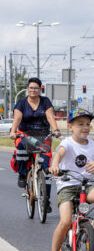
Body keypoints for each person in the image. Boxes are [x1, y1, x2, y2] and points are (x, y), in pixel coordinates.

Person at [43, 108, 94, 251]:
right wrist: (54, 165)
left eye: (88, 124)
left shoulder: (93, 145)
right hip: (67, 185)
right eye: (80, 124)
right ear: (70, 127)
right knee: (66, 220)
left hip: (86, 185)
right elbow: (59, 154)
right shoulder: (67, 142)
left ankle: (93, 231)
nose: (85, 127)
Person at [9, 77, 61, 213]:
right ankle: (22, 173)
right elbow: (18, 118)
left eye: (36, 88)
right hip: (25, 134)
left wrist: (55, 130)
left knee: (47, 169)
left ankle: (46, 199)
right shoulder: (21, 102)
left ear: (40, 89)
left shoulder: (45, 101)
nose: (33, 90)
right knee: (20, 147)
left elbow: (50, 117)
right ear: (27, 89)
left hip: (43, 136)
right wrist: (13, 131)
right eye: (31, 88)